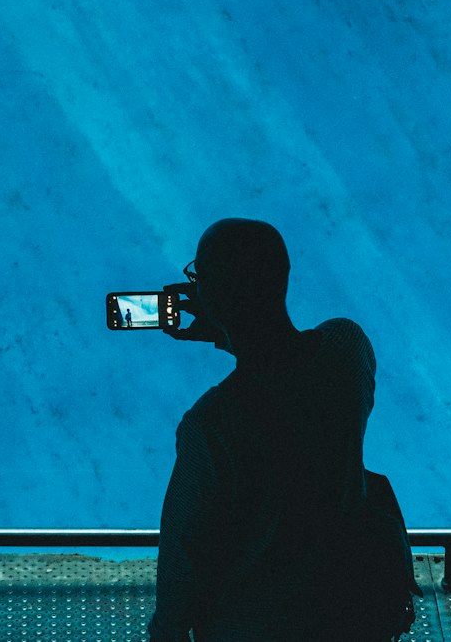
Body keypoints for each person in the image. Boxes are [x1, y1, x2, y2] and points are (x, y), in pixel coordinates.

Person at [150, 218, 391, 642]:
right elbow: (287, 362)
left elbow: (180, 556)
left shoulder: (209, 426)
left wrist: (222, 328)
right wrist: (226, 325)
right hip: (351, 614)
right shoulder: (347, 352)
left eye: (197, 276)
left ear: (213, 298)